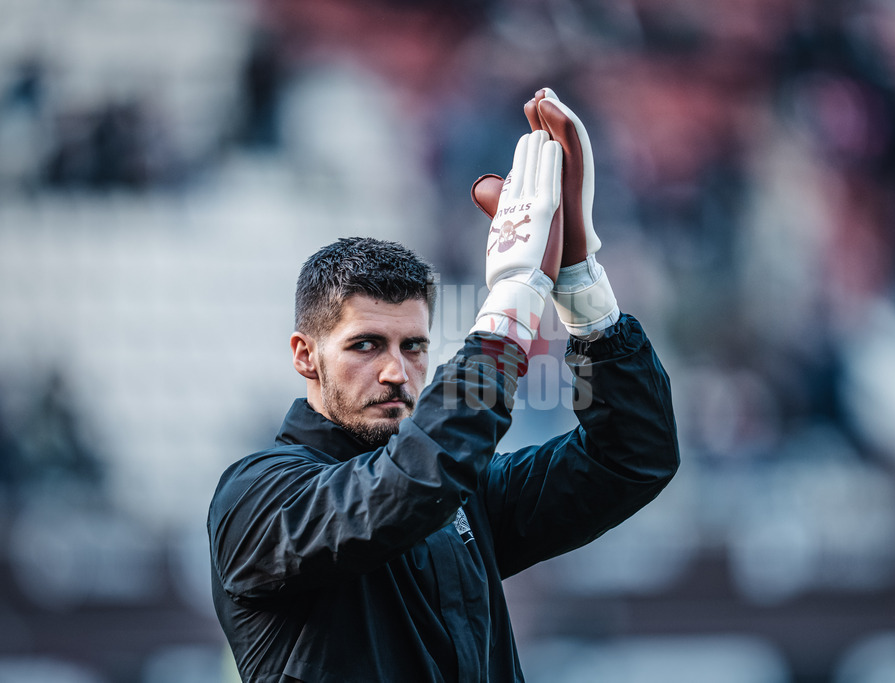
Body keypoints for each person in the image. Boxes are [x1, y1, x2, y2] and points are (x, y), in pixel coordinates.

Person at [207, 88, 679, 682]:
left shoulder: (463, 494)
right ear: (305, 355)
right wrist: (508, 309)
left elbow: (634, 458)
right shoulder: (255, 499)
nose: (394, 370)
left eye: (414, 346)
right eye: (365, 345)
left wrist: (582, 289)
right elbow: (406, 486)